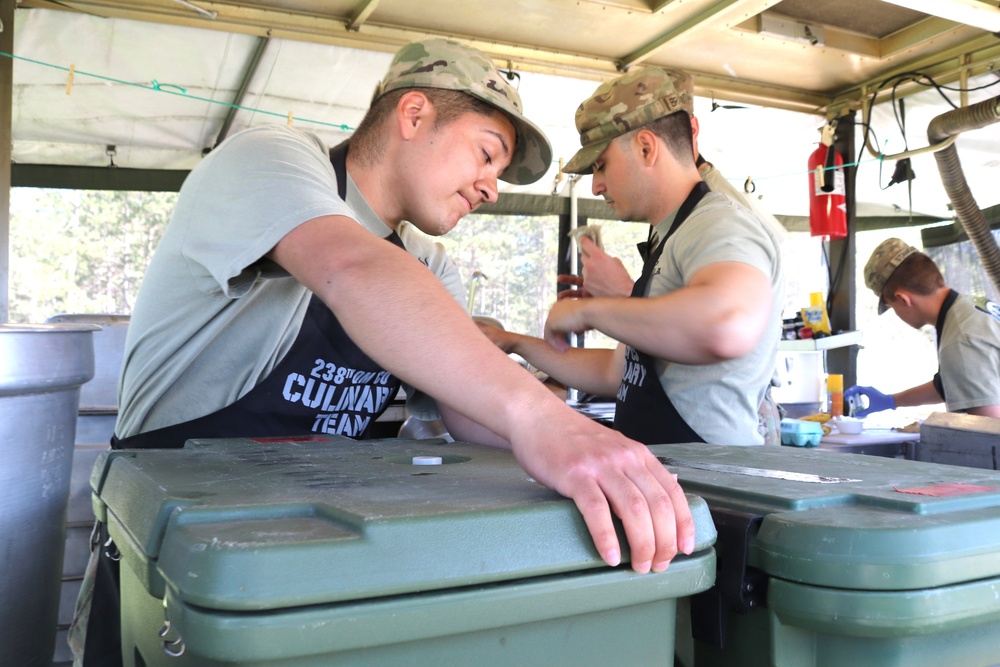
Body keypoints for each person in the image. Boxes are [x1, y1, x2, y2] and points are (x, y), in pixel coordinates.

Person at [74, 39, 695, 666]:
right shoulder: (271, 161)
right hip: (174, 548)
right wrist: (539, 419)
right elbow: (350, 267)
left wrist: (576, 447)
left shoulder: (427, 265)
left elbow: (470, 411)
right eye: (486, 155)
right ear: (414, 114)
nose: (491, 189)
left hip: (314, 552)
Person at [479, 67, 784, 446]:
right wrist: (514, 342)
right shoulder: (669, 234)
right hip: (671, 475)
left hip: (714, 484)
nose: (596, 185)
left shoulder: (718, 225)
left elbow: (726, 324)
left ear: (645, 147)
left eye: (601, 165)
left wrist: (589, 312)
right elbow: (615, 372)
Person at [846, 238, 1000, 418]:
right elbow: (953, 383)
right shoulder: (970, 308)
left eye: (891, 307)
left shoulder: (960, 338)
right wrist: (891, 401)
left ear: (903, 299)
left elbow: (989, 430)